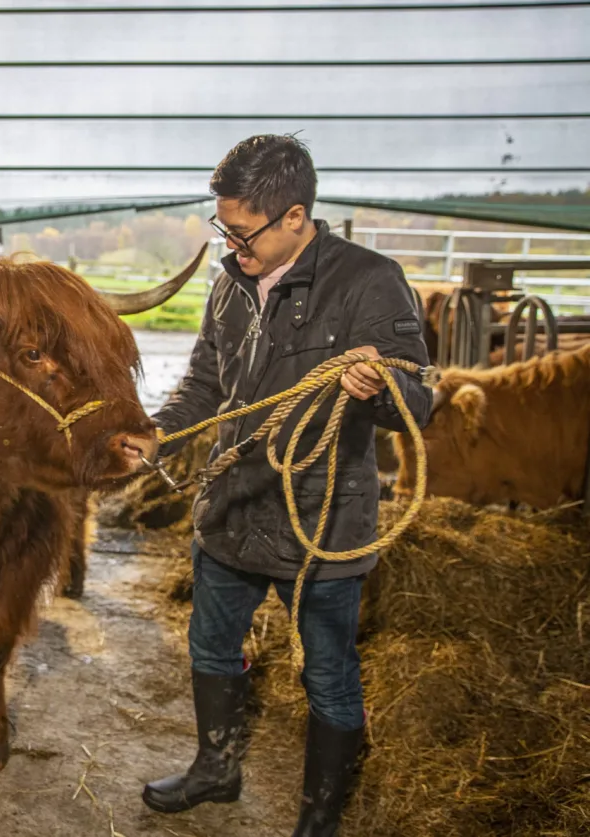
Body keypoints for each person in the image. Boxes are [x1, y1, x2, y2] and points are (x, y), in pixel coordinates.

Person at [140, 135, 432, 836]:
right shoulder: (230, 283)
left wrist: (379, 387)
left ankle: (318, 818)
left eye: (242, 231)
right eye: (224, 227)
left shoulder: (370, 282)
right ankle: (217, 767)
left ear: (296, 217)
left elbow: (417, 402)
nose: (231, 243)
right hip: (232, 509)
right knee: (211, 647)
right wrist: (157, 432)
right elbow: (207, 384)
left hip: (321, 522)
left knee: (328, 672)